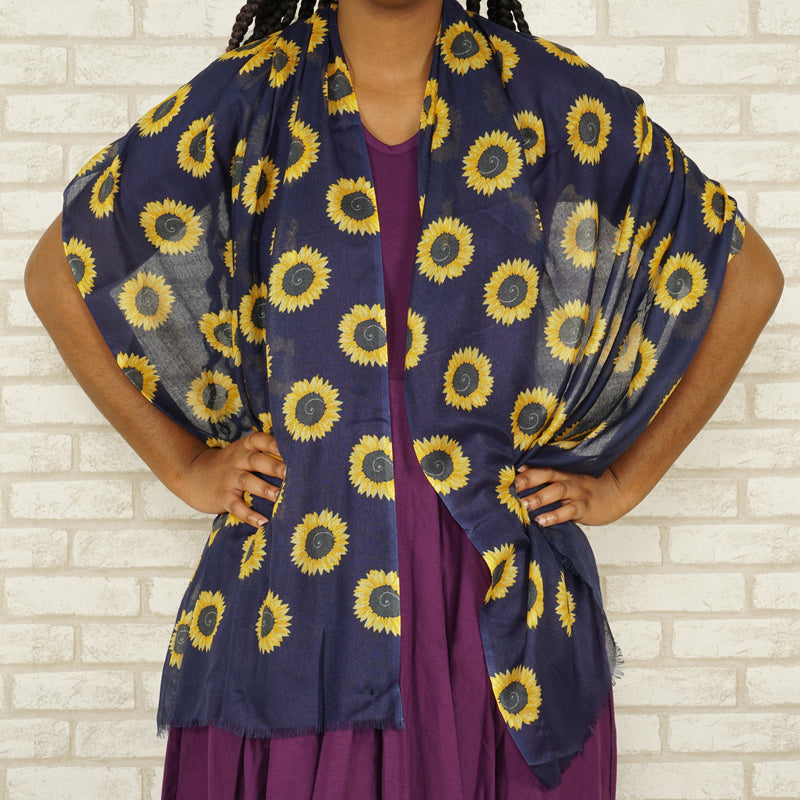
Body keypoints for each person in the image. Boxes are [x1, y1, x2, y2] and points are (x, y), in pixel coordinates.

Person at [24, 0, 783, 797]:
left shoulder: (548, 99)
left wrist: (626, 481)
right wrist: (183, 465)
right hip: (300, 591)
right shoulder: (249, 99)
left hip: (486, 596)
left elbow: (749, 278)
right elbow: (58, 272)